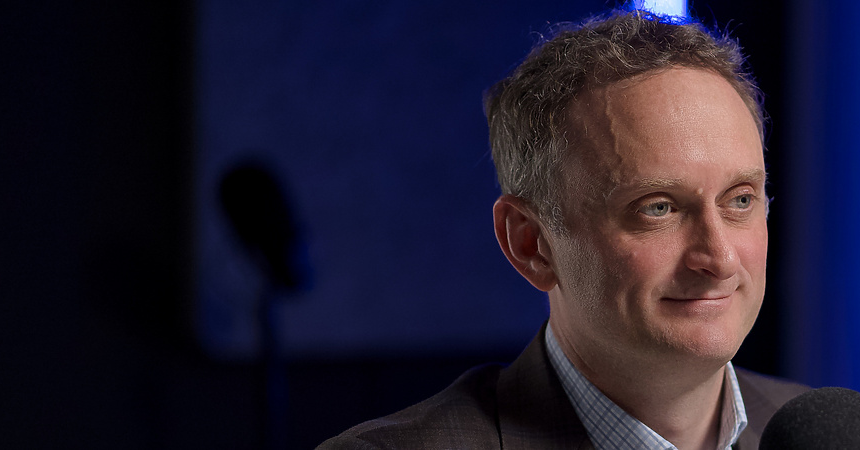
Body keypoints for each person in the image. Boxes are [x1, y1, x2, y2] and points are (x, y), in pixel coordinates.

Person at [319, 9, 808, 450]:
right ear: (531, 243)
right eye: (657, 208)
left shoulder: (826, 436)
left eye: (740, 200)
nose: (719, 258)